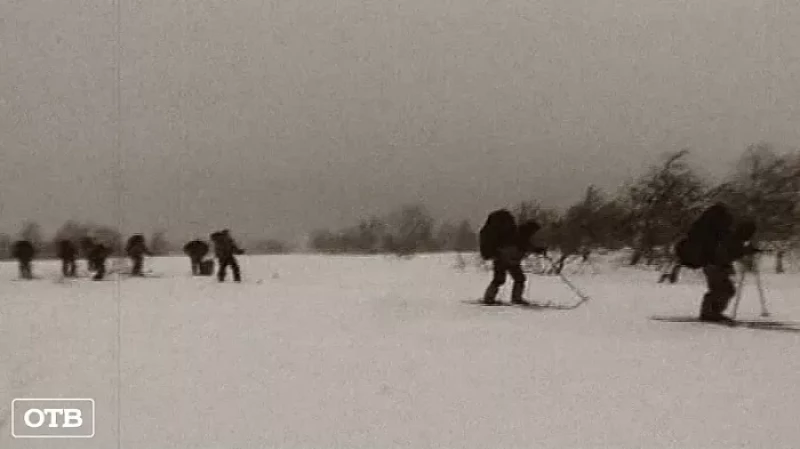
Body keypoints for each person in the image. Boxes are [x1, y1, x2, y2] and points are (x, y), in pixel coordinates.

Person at [679, 203, 759, 322]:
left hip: (712, 264)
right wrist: (745, 250)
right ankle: (710, 314)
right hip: (715, 265)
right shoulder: (724, 235)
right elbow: (728, 252)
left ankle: (710, 313)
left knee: (721, 290)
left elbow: (728, 251)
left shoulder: (713, 232)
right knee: (723, 290)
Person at [479, 210, 545, 305]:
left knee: (501, 279)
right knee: (515, 279)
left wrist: (536, 249)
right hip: (506, 259)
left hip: (502, 258)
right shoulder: (519, 234)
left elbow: (523, 246)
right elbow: (523, 246)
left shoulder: (516, 232)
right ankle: (515, 299)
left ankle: (489, 298)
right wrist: (537, 250)